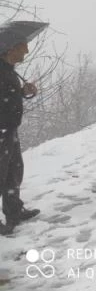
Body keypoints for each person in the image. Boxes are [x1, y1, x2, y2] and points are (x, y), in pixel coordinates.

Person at [0, 40, 40, 235]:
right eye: (22, 48)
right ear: (10, 48)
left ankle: (14, 211)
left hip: (9, 129)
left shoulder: (8, 69)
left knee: (13, 171)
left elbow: (9, 95)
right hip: (1, 130)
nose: (26, 52)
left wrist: (24, 91)